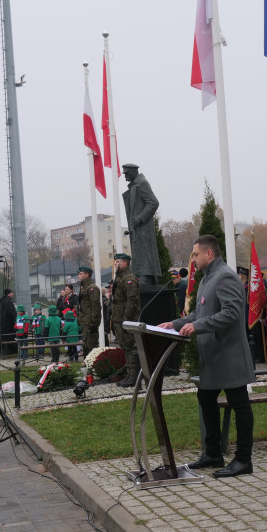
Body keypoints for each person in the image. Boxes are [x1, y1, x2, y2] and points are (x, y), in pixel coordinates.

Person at [159, 235, 256, 478]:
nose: (192, 259)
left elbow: (232, 314)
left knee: (239, 404)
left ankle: (244, 460)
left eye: (195, 254)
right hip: (212, 357)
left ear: (208, 254)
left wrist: (199, 326)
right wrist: (175, 323)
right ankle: (213, 454)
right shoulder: (207, 279)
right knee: (206, 398)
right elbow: (199, 313)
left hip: (229, 355)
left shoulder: (224, 277)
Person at [121, 163, 161, 283]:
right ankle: (143, 275)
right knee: (139, 252)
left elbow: (153, 203)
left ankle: (147, 276)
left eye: (127, 173)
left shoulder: (142, 183)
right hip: (137, 229)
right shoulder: (134, 185)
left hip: (143, 227)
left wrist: (140, 218)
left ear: (134, 171)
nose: (125, 177)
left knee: (145, 252)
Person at [111, 253, 141, 386]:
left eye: (117, 262)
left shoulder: (129, 278)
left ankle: (133, 378)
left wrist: (126, 319)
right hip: (118, 318)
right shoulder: (120, 277)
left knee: (130, 347)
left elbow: (132, 299)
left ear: (124, 263)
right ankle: (130, 375)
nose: (115, 264)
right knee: (125, 347)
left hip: (126, 319)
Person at [77, 266, 102, 356]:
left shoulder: (92, 288)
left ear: (87, 275)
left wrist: (93, 323)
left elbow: (96, 306)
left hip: (90, 322)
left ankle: (95, 367)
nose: (78, 276)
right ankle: (88, 367)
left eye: (80, 274)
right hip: (85, 321)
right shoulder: (84, 287)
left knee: (92, 347)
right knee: (87, 346)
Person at [0, 290, 16, 356]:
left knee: (5, 337)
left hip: (4, 323)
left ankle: (4, 351)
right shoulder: (7, 302)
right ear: (8, 294)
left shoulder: (3, 301)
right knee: (9, 336)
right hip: (8, 323)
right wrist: (15, 319)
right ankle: (8, 351)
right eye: (12, 293)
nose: (13, 294)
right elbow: (11, 313)